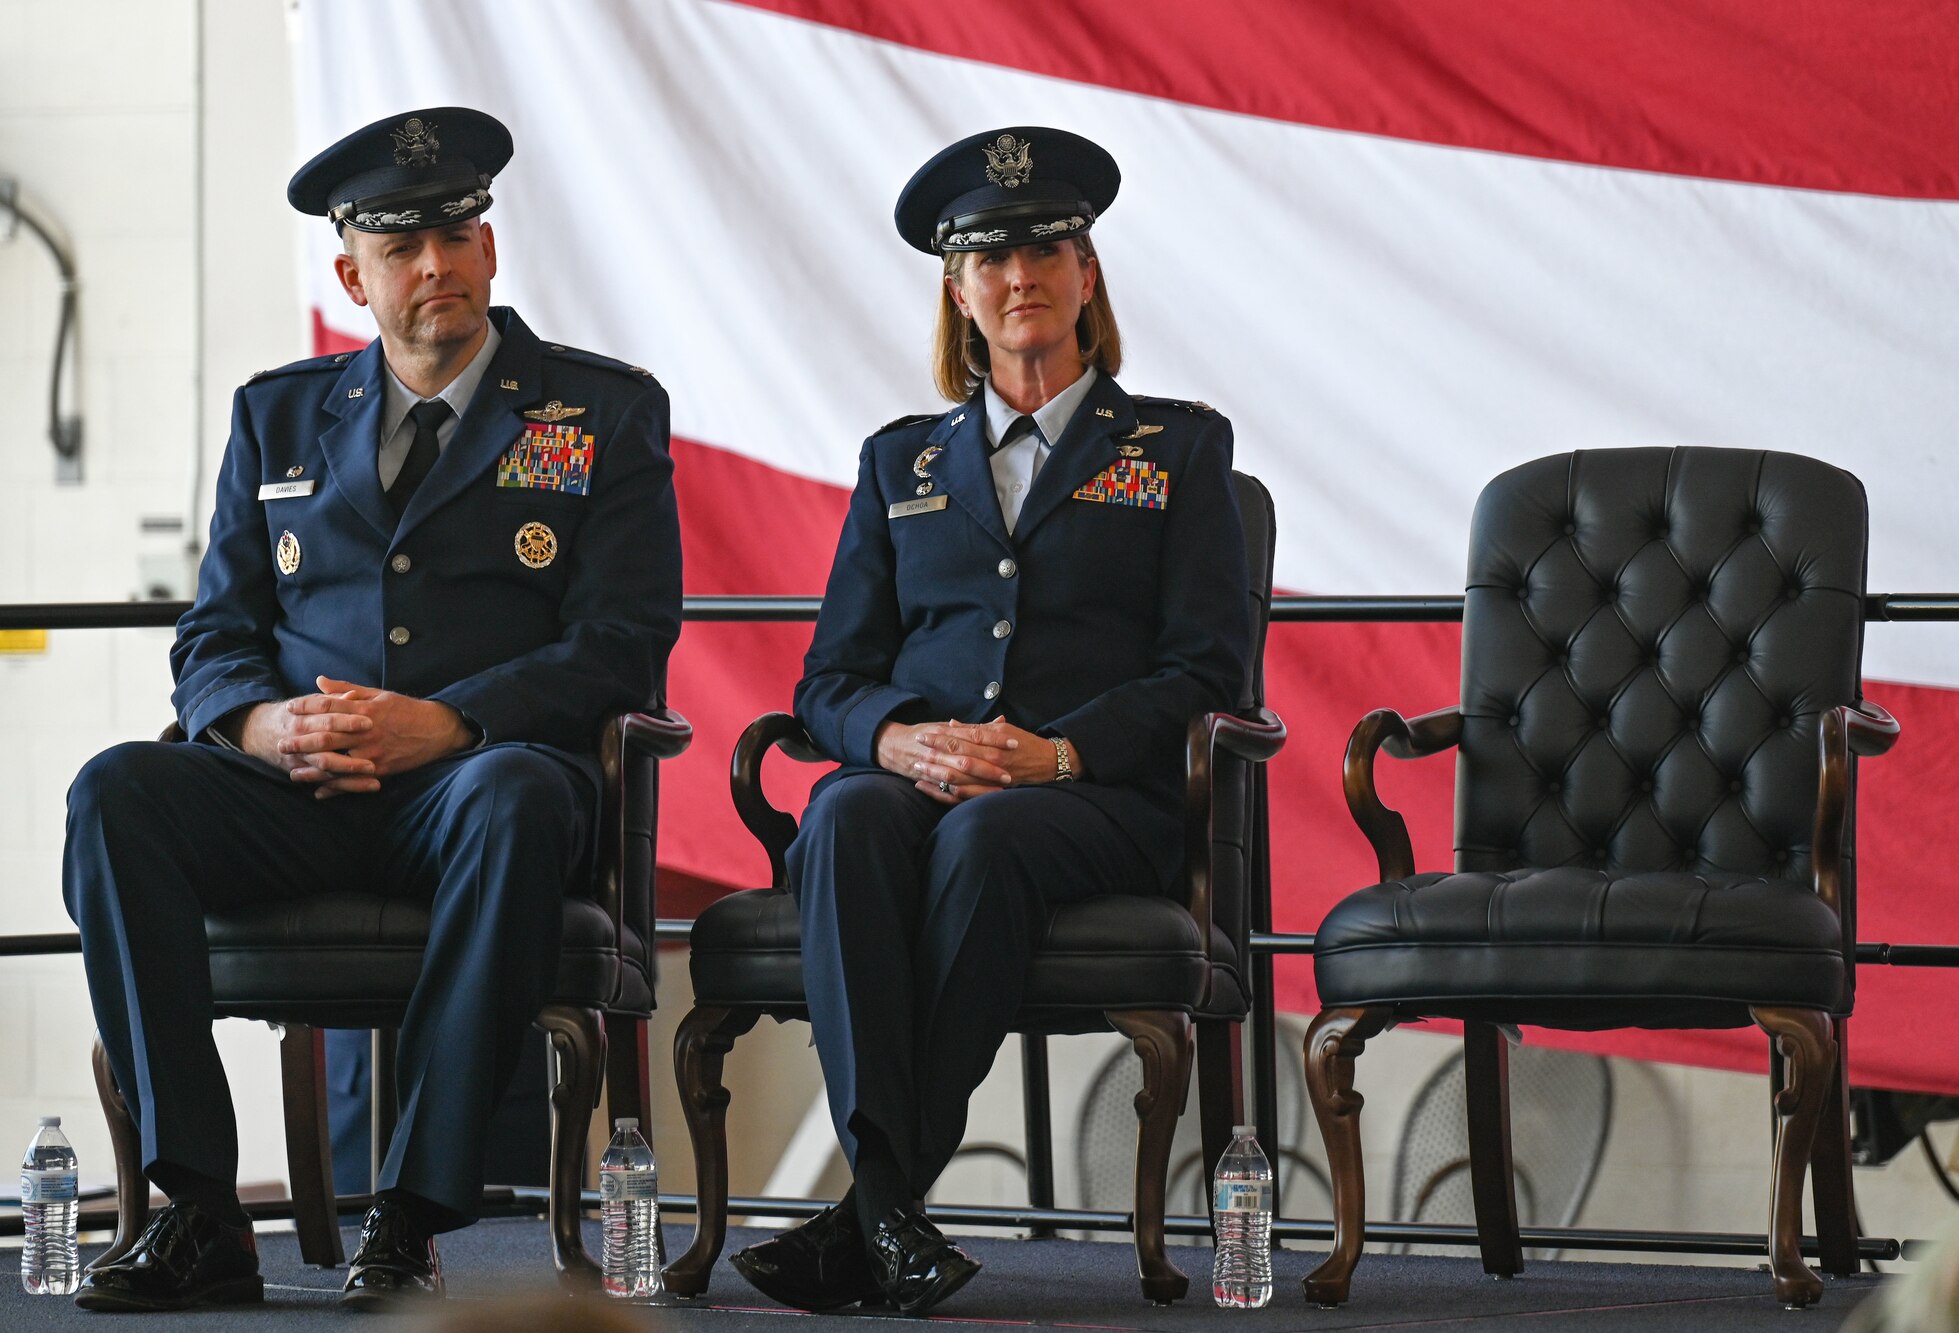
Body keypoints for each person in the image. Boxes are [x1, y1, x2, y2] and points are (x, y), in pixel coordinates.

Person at [61, 106, 681, 1313]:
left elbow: (622, 641)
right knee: (114, 792)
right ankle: (196, 1209)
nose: (434, 264)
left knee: (510, 796)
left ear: (491, 250)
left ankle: (405, 1216)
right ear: (354, 275)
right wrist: (256, 725)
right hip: (297, 786)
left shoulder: (602, 412)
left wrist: (446, 721)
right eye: (400, 248)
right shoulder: (276, 414)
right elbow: (216, 635)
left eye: (454, 233)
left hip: (476, 786)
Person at [729, 126, 1251, 1315]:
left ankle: (870, 1206)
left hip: (1093, 801)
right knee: (844, 811)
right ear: (957, 292)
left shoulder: (1178, 447)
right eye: (990, 258)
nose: (1020, 275)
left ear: (1086, 274)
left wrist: (1056, 752)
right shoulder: (897, 461)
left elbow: (1208, 670)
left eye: (1046, 248)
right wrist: (895, 739)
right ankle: (892, 1215)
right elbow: (827, 680)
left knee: (986, 837)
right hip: (920, 778)